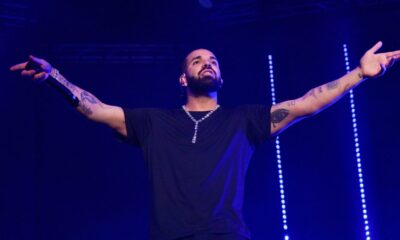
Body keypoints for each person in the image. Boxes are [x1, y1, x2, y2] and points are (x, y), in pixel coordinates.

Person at [10, 42, 400, 240]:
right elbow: (95, 109)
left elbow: (306, 103)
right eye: (196, 60)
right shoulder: (153, 123)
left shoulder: (243, 120)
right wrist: (54, 76)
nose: (206, 63)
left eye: (212, 60)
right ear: (183, 78)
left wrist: (359, 75)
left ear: (222, 77)